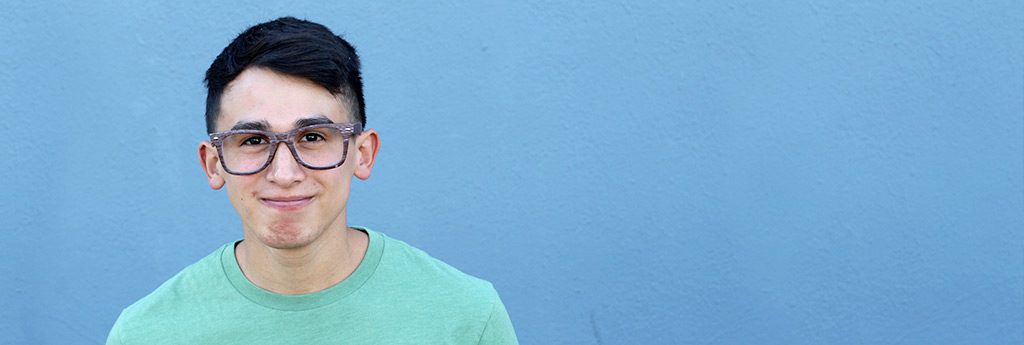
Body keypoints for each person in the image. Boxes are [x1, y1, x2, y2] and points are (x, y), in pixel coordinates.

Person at [106, 17, 518, 344]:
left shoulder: (465, 319)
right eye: (252, 140)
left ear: (363, 153)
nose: (284, 173)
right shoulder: (146, 333)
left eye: (313, 137)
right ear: (213, 163)